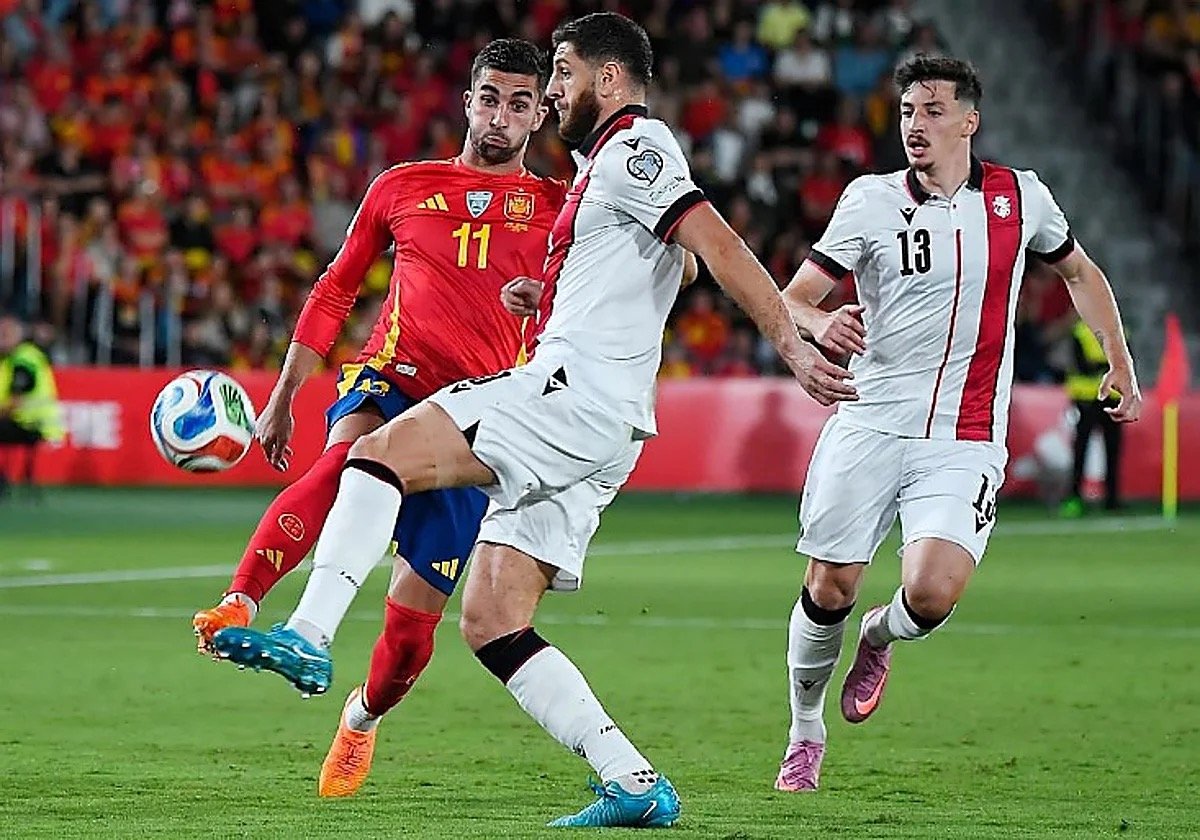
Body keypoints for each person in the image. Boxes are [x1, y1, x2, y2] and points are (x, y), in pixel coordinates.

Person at [212, 12, 854, 828]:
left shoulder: (633, 151)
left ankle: (306, 631)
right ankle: (633, 782)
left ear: (609, 80)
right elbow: (670, 263)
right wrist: (544, 297)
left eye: (562, 73)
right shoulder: (597, 172)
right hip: (606, 426)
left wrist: (794, 343)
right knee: (491, 620)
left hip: (569, 396)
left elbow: (714, 246)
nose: (552, 91)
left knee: (375, 456)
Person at [774, 54, 1143, 793]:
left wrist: (1119, 358)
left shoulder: (1019, 198)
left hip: (965, 435)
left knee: (933, 595)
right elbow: (792, 296)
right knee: (829, 587)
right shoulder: (869, 201)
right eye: (909, 111)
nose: (917, 124)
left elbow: (1079, 272)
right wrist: (818, 321)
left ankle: (879, 638)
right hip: (869, 423)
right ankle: (804, 731)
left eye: (935, 111)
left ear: (969, 122)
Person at [190, 34, 566, 752]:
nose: (500, 117)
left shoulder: (557, 206)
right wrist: (283, 394)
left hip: (476, 422)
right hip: (390, 379)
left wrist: (545, 300)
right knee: (341, 462)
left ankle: (362, 717)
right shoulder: (401, 186)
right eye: (489, 99)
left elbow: (639, 278)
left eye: (519, 104)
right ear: (467, 103)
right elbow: (336, 289)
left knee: (406, 641)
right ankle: (239, 604)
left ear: (537, 118)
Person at [1061, 317, 1125, 516]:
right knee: (1081, 449)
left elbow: (1125, 364)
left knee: (1113, 449)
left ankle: (1112, 498)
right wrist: (1109, 367)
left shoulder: (1120, 331)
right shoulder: (1080, 331)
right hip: (1087, 398)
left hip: (1113, 397)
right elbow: (1082, 365)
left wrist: (1104, 367)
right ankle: (1075, 497)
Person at [0, 313, 63, 495]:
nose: (2, 339)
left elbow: (15, 401)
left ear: (18, 335)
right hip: (22, 422)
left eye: (6, 334)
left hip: (32, 424)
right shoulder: (10, 359)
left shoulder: (24, 360)